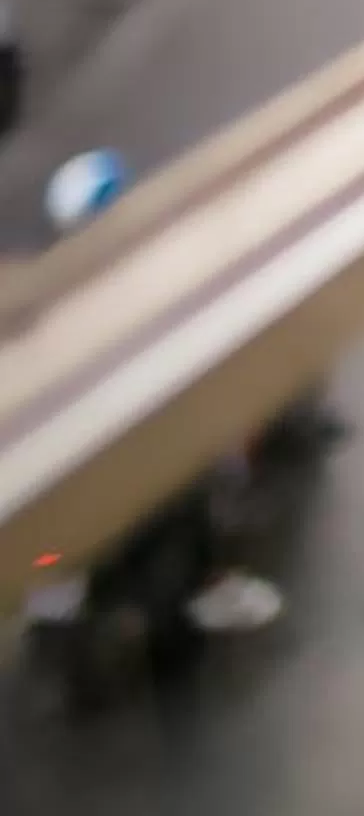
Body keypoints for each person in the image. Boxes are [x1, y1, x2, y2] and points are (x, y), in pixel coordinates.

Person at [41, 152, 285, 641]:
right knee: (219, 474)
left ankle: (57, 589)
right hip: (143, 433)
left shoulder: (55, 286)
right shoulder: (144, 273)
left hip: (72, 452)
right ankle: (213, 587)